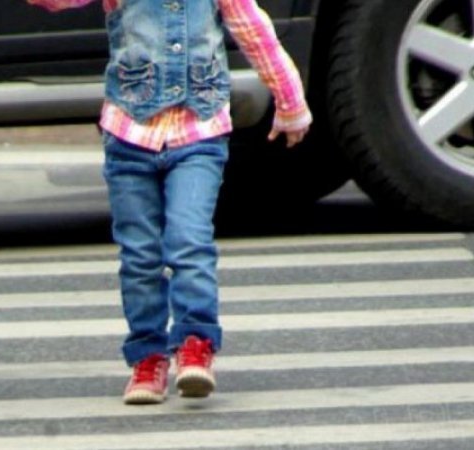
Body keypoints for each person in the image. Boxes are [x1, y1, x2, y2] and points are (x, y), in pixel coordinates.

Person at [27, 0, 312, 404]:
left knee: (189, 240)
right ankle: (148, 356)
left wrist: (290, 102)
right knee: (139, 255)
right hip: (129, 137)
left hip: (199, 136)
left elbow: (255, 32)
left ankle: (196, 343)